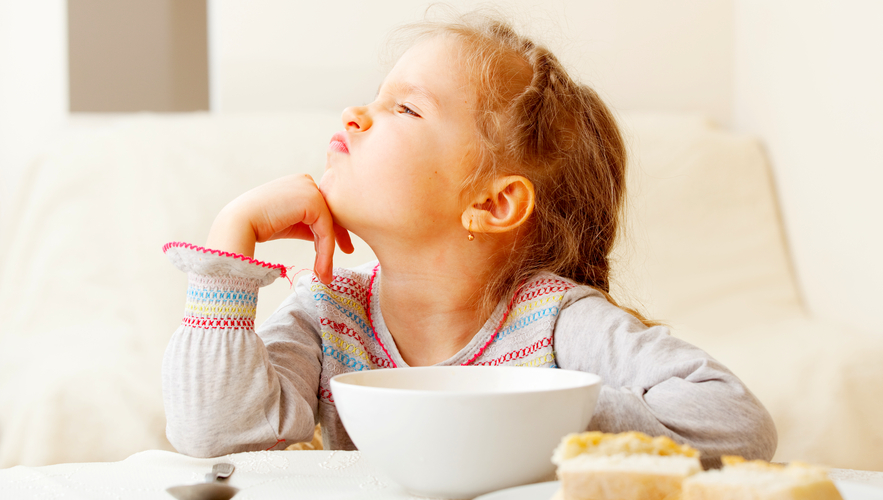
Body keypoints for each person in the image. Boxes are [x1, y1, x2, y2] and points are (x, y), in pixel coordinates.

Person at [161, 11, 777, 467]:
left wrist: (543, 412)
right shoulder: (328, 314)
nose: (354, 114)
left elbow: (736, 423)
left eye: (405, 109)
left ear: (492, 203)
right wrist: (229, 241)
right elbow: (217, 437)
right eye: (376, 98)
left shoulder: (553, 320)